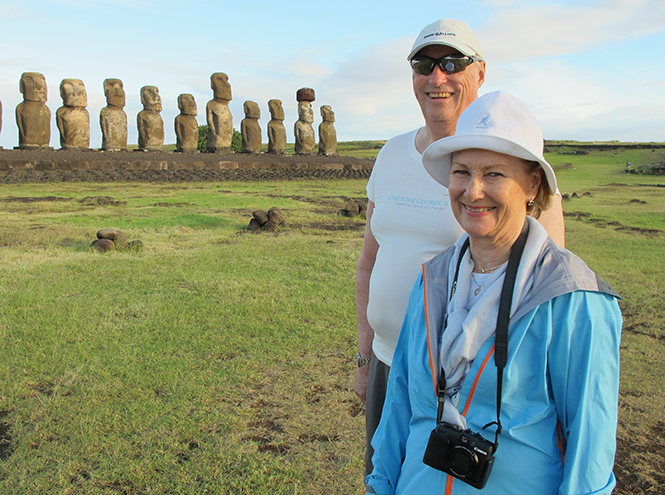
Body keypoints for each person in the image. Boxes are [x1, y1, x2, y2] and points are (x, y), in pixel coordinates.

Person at [365, 90, 622, 495]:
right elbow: (399, 405)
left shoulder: (573, 301)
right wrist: (379, 487)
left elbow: (589, 453)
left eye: (495, 174)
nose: (473, 191)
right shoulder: (431, 281)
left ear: (532, 185)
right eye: (462, 171)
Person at [354, 18, 565, 477]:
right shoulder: (390, 154)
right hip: (389, 363)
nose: (438, 77)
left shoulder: (514, 164)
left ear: (481, 72)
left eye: (453, 62)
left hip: (466, 382)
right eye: (424, 64)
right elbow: (370, 265)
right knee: (386, 475)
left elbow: (547, 295)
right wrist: (365, 356)